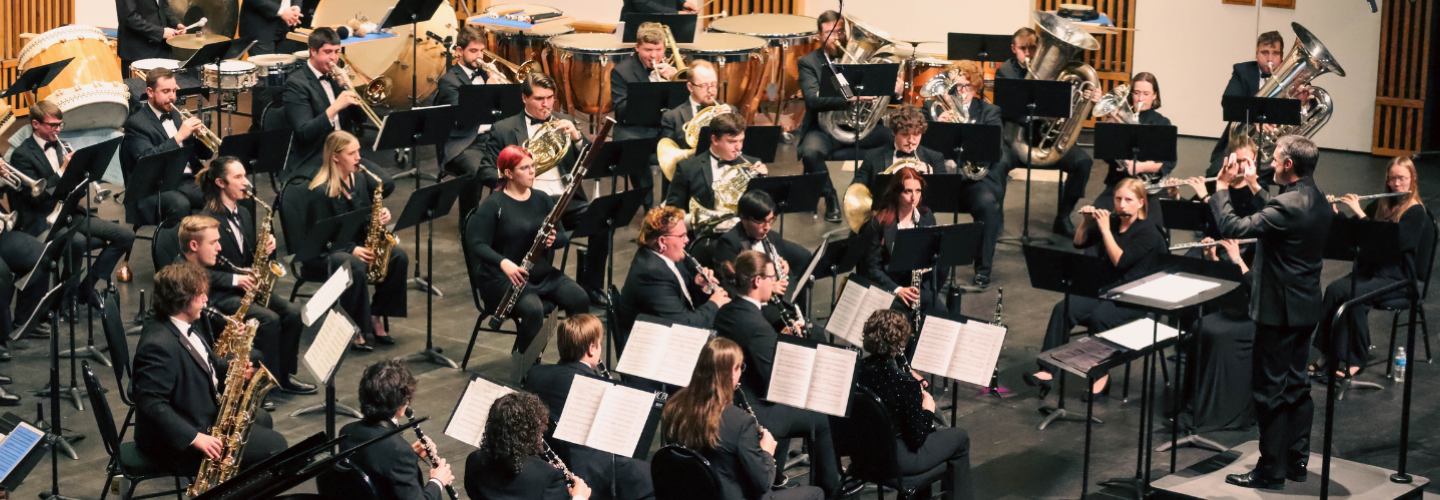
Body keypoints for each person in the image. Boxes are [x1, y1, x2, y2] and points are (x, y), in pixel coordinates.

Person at [1211, 136, 1331, 490]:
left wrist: (1221, 189)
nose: (1271, 164)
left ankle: (1270, 470)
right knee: (1297, 386)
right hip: (1306, 306)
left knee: (1269, 391)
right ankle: (1296, 461)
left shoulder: (1288, 205)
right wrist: (1251, 185)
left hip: (1278, 312)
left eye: (1276, 160)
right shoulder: (1317, 197)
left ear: (1289, 165)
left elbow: (1234, 227)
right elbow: (1280, 216)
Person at [131, 262, 287, 472]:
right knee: (275, 446)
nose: (206, 299)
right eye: (201, 294)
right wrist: (195, 438)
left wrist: (233, 369)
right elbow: (151, 404)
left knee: (262, 418)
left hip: (198, 410)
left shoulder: (185, 322)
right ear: (183, 299)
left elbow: (203, 361)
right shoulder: (157, 345)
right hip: (174, 443)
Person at [1024, 178, 1165, 400]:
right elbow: (1079, 243)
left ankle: (1100, 374)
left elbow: (1121, 261)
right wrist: (1086, 223)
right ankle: (1046, 371)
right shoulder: (1112, 222)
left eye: (1128, 200)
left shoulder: (1148, 232)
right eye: (1118, 199)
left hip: (1134, 298)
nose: (1121, 205)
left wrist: (1105, 229)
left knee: (1101, 317)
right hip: (1105, 290)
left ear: (1140, 203)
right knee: (1064, 308)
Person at [714, 251, 838, 497]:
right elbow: (775, 385)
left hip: (731, 400)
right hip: (757, 408)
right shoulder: (758, 327)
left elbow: (753, 352)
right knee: (820, 417)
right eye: (771, 277)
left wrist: (778, 341)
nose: (775, 283)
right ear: (757, 281)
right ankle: (830, 488)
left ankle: (778, 478)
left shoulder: (727, 311)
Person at [480, 73, 608, 306]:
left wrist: (578, 138)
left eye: (550, 98)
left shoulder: (564, 121)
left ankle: (592, 286)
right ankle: (541, 283)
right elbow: (485, 171)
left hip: (564, 199)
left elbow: (592, 162)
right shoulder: (504, 128)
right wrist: (512, 176)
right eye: (539, 98)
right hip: (529, 202)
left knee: (602, 222)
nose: (546, 104)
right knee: (544, 234)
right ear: (524, 98)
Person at [194, 158, 314, 395]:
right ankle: (260, 389)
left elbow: (249, 258)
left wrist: (266, 248)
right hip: (220, 295)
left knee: (292, 314)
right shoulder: (207, 221)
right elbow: (198, 270)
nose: (246, 182)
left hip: (245, 289)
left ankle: (283, 377)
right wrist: (234, 280)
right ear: (220, 182)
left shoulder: (246, 213)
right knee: (269, 320)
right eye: (238, 177)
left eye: (244, 175)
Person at [1311, 157, 1432, 378]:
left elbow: (1391, 245)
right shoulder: (1380, 205)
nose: (1396, 184)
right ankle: (1329, 354)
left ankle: (1356, 358)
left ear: (1412, 179)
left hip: (1398, 277)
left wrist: (1360, 213)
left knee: (1354, 296)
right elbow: (1358, 233)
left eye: (1401, 179)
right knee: (1334, 290)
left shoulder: (1416, 213)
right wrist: (1335, 213)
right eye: (1392, 178)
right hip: (1372, 270)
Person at [8, 101, 135, 310]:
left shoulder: (61, 146)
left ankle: (85, 288)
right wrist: (62, 171)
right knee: (76, 242)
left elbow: (72, 187)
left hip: (68, 212)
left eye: (60, 125)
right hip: (43, 218)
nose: (57, 130)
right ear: (35, 124)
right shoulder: (22, 154)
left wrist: (82, 172)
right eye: (52, 125)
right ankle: (66, 300)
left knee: (125, 237)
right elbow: (34, 198)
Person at [661, 337, 823, 500]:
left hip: (690, 493)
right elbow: (763, 483)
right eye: (740, 368)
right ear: (732, 372)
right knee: (816, 493)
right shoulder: (739, 421)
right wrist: (766, 452)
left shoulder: (674, 405)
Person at [466, 145, 589, 356]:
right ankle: (527, 367)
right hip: (502, 278)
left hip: (540, 273)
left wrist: (553, 239)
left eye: (532, 166)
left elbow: (561, 237)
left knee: (580, 298)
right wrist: (504, 263)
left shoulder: (542, 198)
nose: (532, 172)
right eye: (525, 168)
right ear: (508, 174)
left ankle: (573, 358)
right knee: (534, 309)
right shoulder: (493, 204)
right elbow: (477, 245)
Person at [523, 315, 656, 500]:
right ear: (592, 348)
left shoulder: (535, 374)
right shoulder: (596, 385)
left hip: (550, 463)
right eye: (599, 344)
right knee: (650, 477)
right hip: (591, 470)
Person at [299, 131, 409, 350]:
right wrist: (352, 249)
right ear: (335, 157)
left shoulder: (358, 179)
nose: (359, 157)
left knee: (398, 256)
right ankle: (355, 327)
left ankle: (376, 314)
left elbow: (365, 217)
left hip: (354, 246)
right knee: (354, 265)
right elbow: (317, 240)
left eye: (358, 151)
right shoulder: (320, 192)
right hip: (324, 253)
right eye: (352, 153)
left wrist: (380, 216)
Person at [857, 310, 974, 500]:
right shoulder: (904, 384)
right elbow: (916, 439)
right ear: (899, 343)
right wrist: (927, 409)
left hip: (862, 456)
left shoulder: (857, 371)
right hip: (897, 460)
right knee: (960, 438)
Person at [797, 10, 900, 222]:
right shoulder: (809, 63)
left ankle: (880, 199)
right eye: (830, 33)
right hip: (824, 128)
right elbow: (812, 99)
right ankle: (831, 197)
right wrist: (848, 98)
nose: (837, 38)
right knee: (810, 151)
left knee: (892, 141)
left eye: (840, 32)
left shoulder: (865, 60)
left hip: (861, 127)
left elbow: (885, 98)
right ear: (819, 35)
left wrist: (896, 91)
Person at [995, 27, 1095, 238]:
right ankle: (996, 218)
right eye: (1024, 48)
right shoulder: (1006, 72)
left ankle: (1063, 217)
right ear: (1014, 49)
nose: (1029, 53)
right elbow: (1006, 111)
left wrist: (1088, 100)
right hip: (1016, 140)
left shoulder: (1062, 72)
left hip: (1048, 141)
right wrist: (1041, 113)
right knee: (998, 164)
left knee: (1083, 163)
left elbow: (1076, 112)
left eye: (1033, 47)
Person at [282, 27, 393, 193]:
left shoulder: (336, 77)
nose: (333, 58)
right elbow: (304, 133)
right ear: (313, 51)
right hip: (316, 154)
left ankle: (362, 213)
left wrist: (350, 88)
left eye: (336, 52)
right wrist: (335, 107)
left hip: (344, 153)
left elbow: (360, 119)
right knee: (340, 191)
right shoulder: (296, 84)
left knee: (385, 183)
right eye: (327, 52)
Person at [929, 61, 1010, 288]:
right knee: (911, 194)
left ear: (975, 88)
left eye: (966, 87)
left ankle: (983, 269)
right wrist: (938, 127)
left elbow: (996, 151)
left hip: (974, 182)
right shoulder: (935, 109)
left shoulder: (990, 112)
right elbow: (924, 149)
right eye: (956, 87)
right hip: (944, 178)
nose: (961, 92)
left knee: (988, 206)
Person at [337, 360, 455, 500]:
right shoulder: (400, 452)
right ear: (401, 404)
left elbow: (377, 470)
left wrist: (410, 457)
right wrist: (437, 481)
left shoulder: (346, 432)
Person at [617, 206, 729, 351]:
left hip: (666, 331)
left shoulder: (668, 258)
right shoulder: (652, 273)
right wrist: (714, 303)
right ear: (662, 241)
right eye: (681, 236)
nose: (687, 240)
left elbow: (682, 295)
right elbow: (683, 325)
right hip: (652, 347)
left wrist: (699, 285)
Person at [1175, 238, 1256, 435]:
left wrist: (1237, 259)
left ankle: (1209, 412)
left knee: (1217, 333)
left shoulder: (1278, 247)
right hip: (1241, 311)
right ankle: (1194, 405)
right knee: (1200, 326)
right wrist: (1212, 258)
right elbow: (1236, 287)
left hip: (1266, 316)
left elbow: (1259, 289)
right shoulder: (1256, 243)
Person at [120, 67, 211, 225]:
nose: (172, 97)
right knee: (180, 205)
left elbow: (205, 155)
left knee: (225, 190)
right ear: (150, 92)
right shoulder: (136, 124)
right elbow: (147, 158)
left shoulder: (176, 114)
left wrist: (201, 138)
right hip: (154, 187)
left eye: (174, 91)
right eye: (166, 91)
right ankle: (175, 248)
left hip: (186, 180)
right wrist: (179, 137)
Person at [465, 392, 593, 500]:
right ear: (528, 433)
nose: (541, 435)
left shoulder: (474, 461)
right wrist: (579, 497)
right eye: (539, 431)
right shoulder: (548, 478)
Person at [665, 112, 769, 240]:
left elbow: (764, 211)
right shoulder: (688, 167)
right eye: (732, 142)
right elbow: (672, 212)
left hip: (746, 237)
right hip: (706, 238)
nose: (738, 147)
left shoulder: (752, 164)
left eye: (741, 141)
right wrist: (697, 221)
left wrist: (763, 182)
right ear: (714, 139)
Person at [1091, 72, 1174, 224]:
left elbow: (1168, 162)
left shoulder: (1161, 123)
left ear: (1154, 96)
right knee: (1094, 220)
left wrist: (1140, 167)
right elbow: (1107, 156)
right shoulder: (1117, 118)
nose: (1140, 98)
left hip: (1148, 188)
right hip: (1118, 184)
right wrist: (1113, 128)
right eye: (1136, 93)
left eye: (1146, 93)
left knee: (1151, 227)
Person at [857, 168, 943, 314]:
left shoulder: (926, 216)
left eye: (918, 191)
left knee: (942, 316)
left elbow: (933, 254)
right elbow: (872, 268)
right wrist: (898, 290)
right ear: (897, 193)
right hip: (889, 288)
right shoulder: (878, 223)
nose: (913, 198)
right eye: (907, 191)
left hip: (917, 288)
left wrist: (927, 266)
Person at [610, 22, 674, 211]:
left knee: (684, 143)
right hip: (634, 128)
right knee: (632, 147)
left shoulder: (673, 69)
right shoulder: (621, 71)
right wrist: (651, 90)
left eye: (658, 49)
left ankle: (669, 204)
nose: (654, 55)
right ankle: (649, 206)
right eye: (648, 50)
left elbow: (683, 104)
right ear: (637, 47)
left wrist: (675, 79)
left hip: (664, 126)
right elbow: (621, 110)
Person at [1207, 31, 1287, 179]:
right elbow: (1229, 103)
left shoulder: (1292, 75)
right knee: (1214, 173)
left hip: (1278, 149)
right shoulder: (1242, 71)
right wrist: (1256, 117)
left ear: (1282, 57)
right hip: (1241, 142)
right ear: (1256, 54)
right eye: (1265, 52)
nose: (1270, 58)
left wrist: (1304, 101)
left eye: (1275, 53)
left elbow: (1307, 111)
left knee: (1295, 172)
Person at [436, 24, 507, 180]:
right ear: (460, 51)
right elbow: (462, 118)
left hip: (494, 138)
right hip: (467, 142)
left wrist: (501, 88)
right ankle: (471, 205)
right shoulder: (449, 81)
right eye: (473, 51)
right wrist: (488, 91)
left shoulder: (486, 74)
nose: (479, 56)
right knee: (478, 173)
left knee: (523, 164)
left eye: (482, 51)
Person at [853, 104, 947, 189]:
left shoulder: (935, 158)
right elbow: (854, 192)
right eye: (905, 134)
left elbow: (944, 197)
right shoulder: (872, 157)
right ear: (893, 132)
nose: (911, 140)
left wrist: (931, 177)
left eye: (916, 134)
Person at [659, 61, 720, 150]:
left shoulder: (730, 111)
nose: (710, 90)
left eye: (714, 84)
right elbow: (664, 151)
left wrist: (730, 121)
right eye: (704, 85)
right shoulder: (672, 117)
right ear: (690, 87)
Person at [115, 0, 183, 75]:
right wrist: (161, 32)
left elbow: (163, 6)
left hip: (161, 48)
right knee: (139, 86)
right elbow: (129, 17)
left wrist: (176, 23)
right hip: (137, 50)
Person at [238, 0, 302, 55]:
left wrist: (296, 6)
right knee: (266, 68)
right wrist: (281, 11)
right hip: (260, 25)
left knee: (286, 67)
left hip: (288, 26)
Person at [619, 0, 698, 20]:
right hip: (638, 26)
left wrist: (683, 3)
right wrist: (675, 13)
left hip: (669, 23)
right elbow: (642, 3)